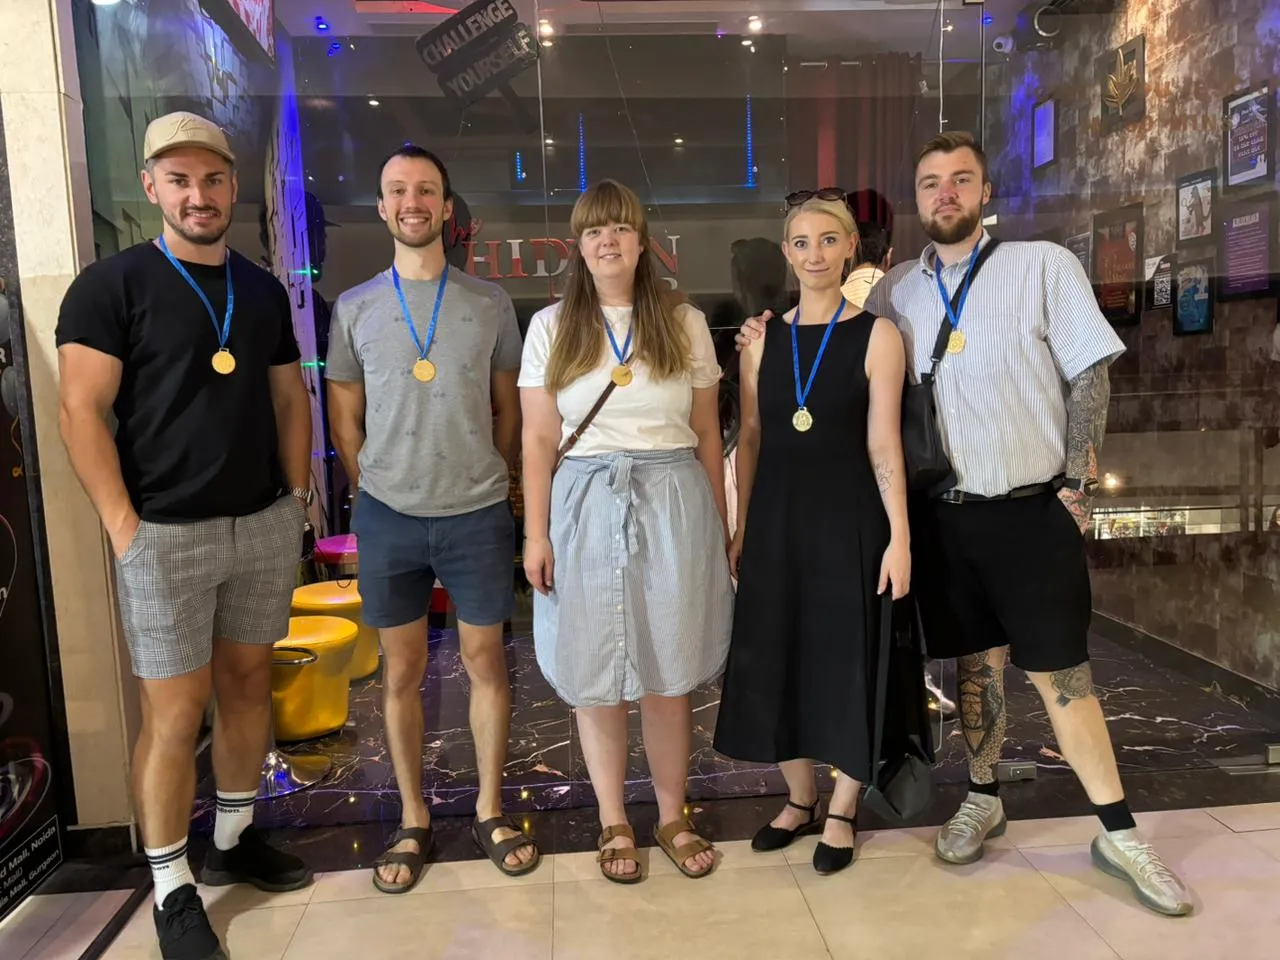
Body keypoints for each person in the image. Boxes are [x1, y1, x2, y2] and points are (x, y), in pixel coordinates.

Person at [736, 132, 1193, 917]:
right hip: (945, 515)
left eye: (959, 180)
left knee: (1061, 676)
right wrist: (762, 339)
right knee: (976, 673)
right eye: (929, 183)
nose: (944, 194)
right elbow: (837, 368)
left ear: (986, 192)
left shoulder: (1042, 265)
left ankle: (1119, 831)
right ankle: (982, 795)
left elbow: (1090, 375)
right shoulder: (896, 294)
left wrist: (1079, 486)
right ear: (915, 201)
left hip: (1030, 508)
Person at [56, 112, 314, 960]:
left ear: (233, 186)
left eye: (211, 179)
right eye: (179, 180)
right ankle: (172, 885)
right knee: (174, 714)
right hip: (161, 532)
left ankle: (232, 840)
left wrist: (297, 497)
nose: (197, 196)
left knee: (247, 688)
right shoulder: (111, 286)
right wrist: (124, 529)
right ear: (152, 188)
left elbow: (287, 400)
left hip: (261, 522)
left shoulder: (264, 288)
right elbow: (79, 413)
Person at [325, 145, 538, 893]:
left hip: (477, 511)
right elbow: (344, 414)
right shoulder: (353, 307)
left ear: (447, 208)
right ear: (382, 207)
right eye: (397, 191)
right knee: (401, 671)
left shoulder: (489, 305)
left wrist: (497, 472)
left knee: (486, 663)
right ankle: (413, 816)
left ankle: (487, 806)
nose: (412, 202)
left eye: (426, 190)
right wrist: (371, 485)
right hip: (390, 516)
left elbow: (510, 406)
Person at [520, 179, 734, 883]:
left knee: (668, 671)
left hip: (673, 496)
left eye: (619, 229)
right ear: (577, 248)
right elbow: (537, 438)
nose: (606, 241)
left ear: (643, 243)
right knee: (595, 673)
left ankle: (672, 812)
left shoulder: (685, 323)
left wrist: (719, 522)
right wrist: (537, 533)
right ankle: (614, 816)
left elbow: (706, 431)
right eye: (592, 232)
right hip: (582, 498)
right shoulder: (551, 327)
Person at [713, 190, 911, 876]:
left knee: (847, 658)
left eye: (829, 240)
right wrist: (741, 525)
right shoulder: (761, 339)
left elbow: (885, 445)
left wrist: (900, 536)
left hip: (850, 519)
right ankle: (798, 799)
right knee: (776, 657)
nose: (815, 254)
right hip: (776, 520)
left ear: (850, 247)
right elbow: (755, 436)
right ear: (788, 252)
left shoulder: (878, 335)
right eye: (801, 242)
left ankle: (843, 807)